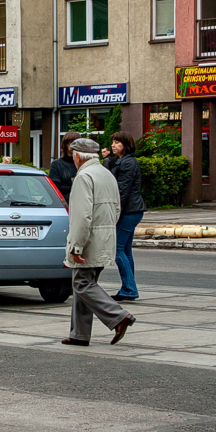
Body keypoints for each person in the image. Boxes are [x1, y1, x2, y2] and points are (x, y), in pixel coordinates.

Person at [62, 138, 135, 347]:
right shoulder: (106, 174)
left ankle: (119, 316)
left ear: (77, 156)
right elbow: (117, 209)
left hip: (89, 239)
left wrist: (76, 246)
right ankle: (79, 334)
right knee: (84, 285)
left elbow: (80, 217)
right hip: (105, 237)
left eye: (72, 155)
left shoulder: (84, 177)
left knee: (82, 284)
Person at [103, 131, 144, 301]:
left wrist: (112, 211)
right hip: (132, 210)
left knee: (117, 249)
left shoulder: (127, 163)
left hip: (128, 211)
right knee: (125, 250)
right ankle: (128, 287)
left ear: (126, 145)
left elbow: (122, 190)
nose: (113, 145)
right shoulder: (124, 161)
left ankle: (129, 288)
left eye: (117, 143)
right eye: (113, 142)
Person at [49, 131, 80, 200]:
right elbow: (54, 187)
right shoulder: (56, 164)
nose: (73, 145)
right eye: (71, 142)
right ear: (65, 144)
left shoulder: (82, 163)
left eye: (76, 143)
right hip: (64, 202)